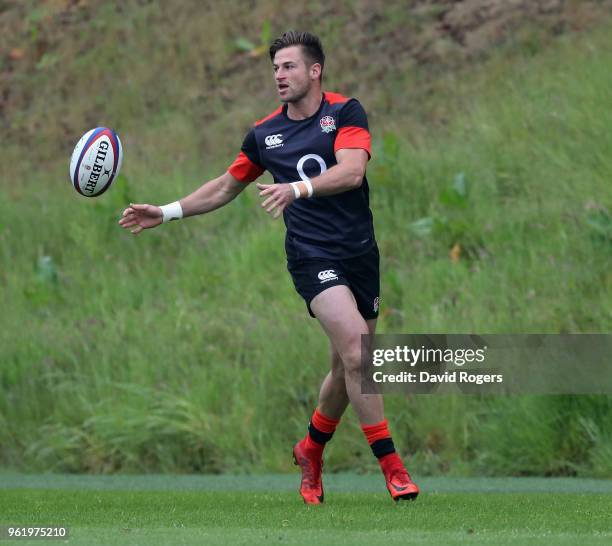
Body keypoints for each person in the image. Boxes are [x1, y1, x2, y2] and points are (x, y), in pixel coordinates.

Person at [118, 30, 419, 504]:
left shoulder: (345, 112)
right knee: (362, 355)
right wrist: (168, 211)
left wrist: (296, 189)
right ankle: (393, 467)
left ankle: (311, 450)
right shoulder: (265, 134)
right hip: (311, 256)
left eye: (289, 66)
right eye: (275, 68)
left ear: (315, 70)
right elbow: (224, 186)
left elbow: (352, 171)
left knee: (346, 369)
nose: (279, 75)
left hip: (360, 252)